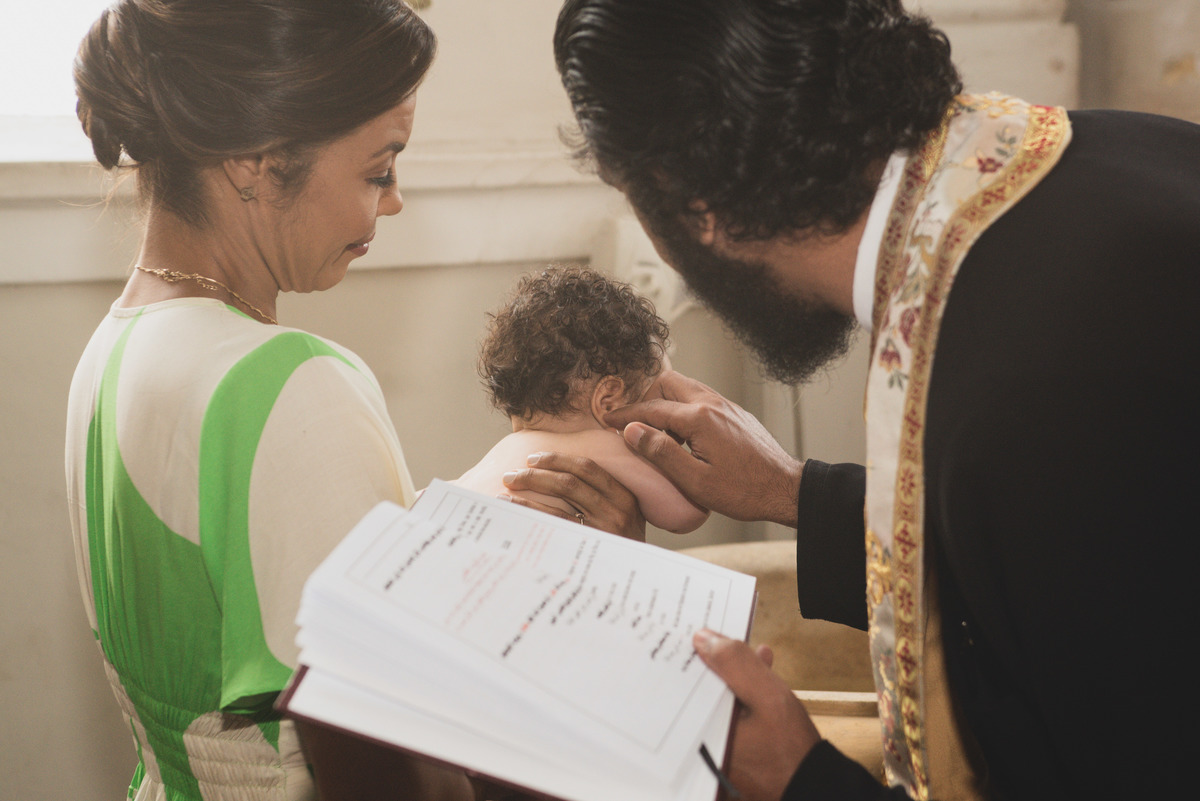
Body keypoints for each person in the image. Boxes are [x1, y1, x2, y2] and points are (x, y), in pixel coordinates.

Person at [550, 1, 1200, 799]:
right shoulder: (1115, 151)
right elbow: (1058, 564)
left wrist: (802, 777)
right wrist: (793, 492)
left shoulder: (1015, 393)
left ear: (694, 207)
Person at [64, 3, 641, 800]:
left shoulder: (113, 350)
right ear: (257, 160)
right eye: (379, 167)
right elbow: (392, 774)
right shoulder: (291, 381)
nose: (395, 198)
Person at [452, 265, 709, 534]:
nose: (665, 417)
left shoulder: (499, 455)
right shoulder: (605, 445)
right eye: (659, 400)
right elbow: (687, 511)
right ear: (608, 402)